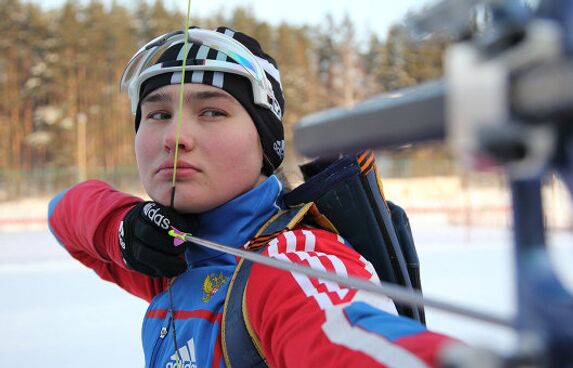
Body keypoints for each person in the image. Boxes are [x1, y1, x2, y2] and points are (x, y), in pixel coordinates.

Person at [48, 26, 454, 367]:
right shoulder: (175, 255)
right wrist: (123, 228)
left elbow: (348, 337)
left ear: (265, 143)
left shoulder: (289, 265)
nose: (174, 138)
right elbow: (64, 212)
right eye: (158, 114)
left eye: (212, 112)